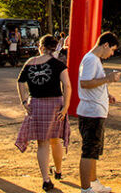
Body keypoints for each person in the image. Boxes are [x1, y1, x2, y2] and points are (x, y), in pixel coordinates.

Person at [15, 34, 72, 192]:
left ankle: (46, 180)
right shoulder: (58, 64)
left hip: (36, 104)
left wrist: (24, 100)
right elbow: (67, 85)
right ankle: (58, 171)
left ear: (41, 47)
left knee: (42, 143)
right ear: (54, 48)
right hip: (56, 104)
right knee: (55, 140)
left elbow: (20, 82)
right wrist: (66, 106)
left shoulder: (30, 62)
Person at [78, 31, 121, 193]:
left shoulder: (93, 60)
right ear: (105, 45)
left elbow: (92, 82)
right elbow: (85, 83)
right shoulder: (90, 60)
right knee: (89, 151)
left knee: (93, 150)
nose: (111, 54)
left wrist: (106, 93)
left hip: (95, 111)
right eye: (112, 50)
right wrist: (108, 79)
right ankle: (85, 188)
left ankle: (93, 182)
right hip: (91, 112)